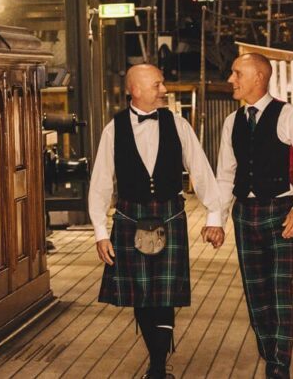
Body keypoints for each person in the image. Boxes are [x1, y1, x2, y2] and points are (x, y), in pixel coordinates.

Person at [88, 64, 225, 379]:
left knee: (163, 297)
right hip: (128, 217)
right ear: (135, 89)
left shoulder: (179, 125)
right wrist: (99, 232)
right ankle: (157, 360)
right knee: (141, 296)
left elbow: (202, 172)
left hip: (169, 215)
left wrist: (214, 216)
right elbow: (100, 184)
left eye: (162, 84)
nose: (164, 90)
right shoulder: (114, 128)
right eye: (157, 85)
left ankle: (158, 367)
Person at [206, 53, 293, 379]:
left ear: (258, 77)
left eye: (237, 73)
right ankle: (271, 352)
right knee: (256, 296)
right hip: (245, 215)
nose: (231, 79)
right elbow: (225, 176)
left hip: (281, 213)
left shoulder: (287, 115)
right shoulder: (232, 122)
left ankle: (278, 369)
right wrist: (217, 221)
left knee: (279, 294)